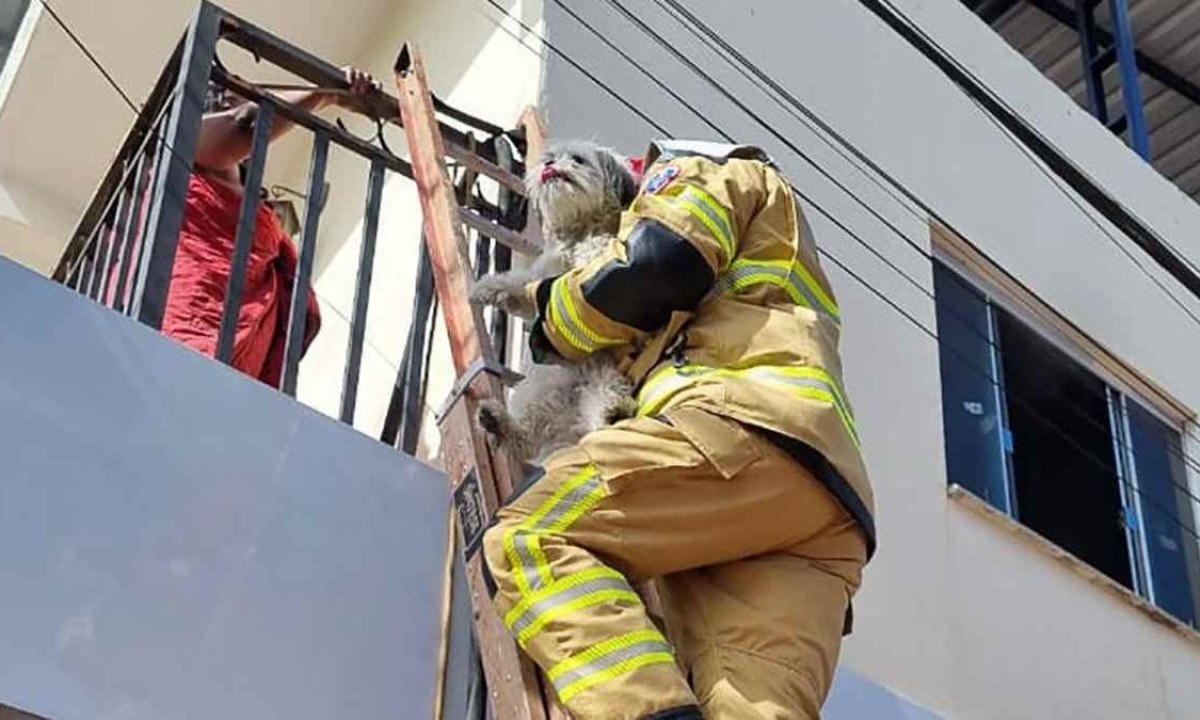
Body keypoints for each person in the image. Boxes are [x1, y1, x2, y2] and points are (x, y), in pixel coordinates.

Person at [481, 140, 875, 719]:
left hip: (739, 432)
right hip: (825, 512)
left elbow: (657, 263)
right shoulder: (779, 245)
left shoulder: (704, 169)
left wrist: (551, 317)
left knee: (531, 535)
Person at [154, 67, 379, 386]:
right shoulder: (184, 140)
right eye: (236, 90)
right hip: (195, 326)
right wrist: (325, 92)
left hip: (239, 349)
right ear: (211, 102)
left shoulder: (239, 191)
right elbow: (246, 125)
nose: (248, 97)